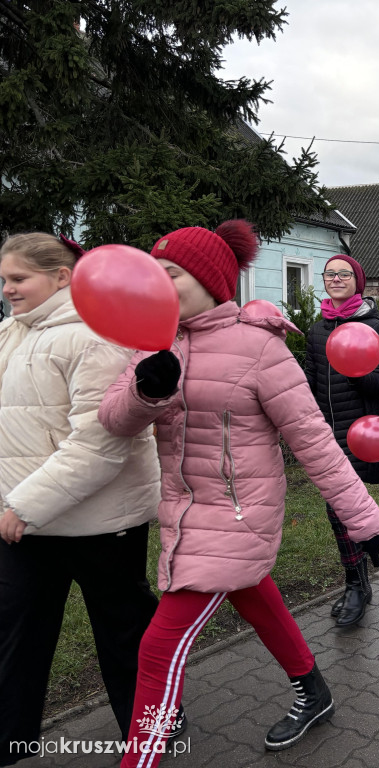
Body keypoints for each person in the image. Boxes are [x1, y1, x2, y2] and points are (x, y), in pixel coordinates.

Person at [98, 221, 379, 765]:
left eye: (172, 275)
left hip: (237, 517)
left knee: (159, 648)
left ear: (210, 280)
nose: (158, 287)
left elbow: (314, 442)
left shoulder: (260, 348)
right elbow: (114, 421)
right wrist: (147, 391)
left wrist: (363, 519)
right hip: (184, 514)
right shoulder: (153, 344)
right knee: (256, 597)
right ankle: (315, 691)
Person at [0, 234, 161, 766]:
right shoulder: (11, 335)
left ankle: (150, 734)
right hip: (25, 522)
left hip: (100, 524)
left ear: (63, 276)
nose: (7, 290)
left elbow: (99, 444)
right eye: (3, 280)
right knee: (15, 637)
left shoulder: (96, 337)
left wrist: (24, 505)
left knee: (123, 637)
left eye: (18, 279)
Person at [304, 253, 379, 628]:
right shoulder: (316, 330)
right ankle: (357, 580)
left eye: (344, 274)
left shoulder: (372, 326)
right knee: (334, 509)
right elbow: (308, 384)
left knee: (346, 510)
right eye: (330, 274)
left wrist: (354, 370)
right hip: (325, 436)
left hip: (360, 435)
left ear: (358, 281)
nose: (336, 279)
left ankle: (357, 585)